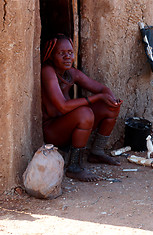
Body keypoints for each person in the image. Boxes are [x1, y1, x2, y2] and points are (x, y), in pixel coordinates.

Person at [41, 34, 122, 182]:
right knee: (85, 113)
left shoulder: (71, 73)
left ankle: (96, 152)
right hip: (53, 131)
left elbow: (103, 89)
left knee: (109, 108)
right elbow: (63, 107)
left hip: (69, 126)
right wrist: (96, 98)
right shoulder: (48, 71)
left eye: (70, 53)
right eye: (61, 53)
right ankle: (74, 167)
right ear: (51, 56)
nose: (67, 57)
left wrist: (112, 100)